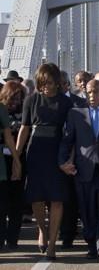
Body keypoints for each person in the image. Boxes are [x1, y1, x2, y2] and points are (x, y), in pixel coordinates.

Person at [58, 80, 99, 263]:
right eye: (88, 92)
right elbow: (67, 140)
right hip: (83, 169)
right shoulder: (75, 113)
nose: (92, 96)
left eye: (95, 92)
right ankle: (92, 246)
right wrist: (63, 162)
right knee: (88, 211)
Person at [16, 63, 74, 260]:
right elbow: (24, 129)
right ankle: (42, 230)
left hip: (58, 151)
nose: (46, 86)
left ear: (57, 82)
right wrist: (17, 156)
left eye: (49, 82)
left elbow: (72, 131)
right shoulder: (31, 100)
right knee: (37, 198)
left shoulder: (66, 103)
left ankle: (52, 245)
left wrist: (70, 157)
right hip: (36, 150)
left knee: (57, 198)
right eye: (42, 83)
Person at [59, 71, 85, 249]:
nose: (58, 87)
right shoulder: (47, 103)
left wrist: (71, 157)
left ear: (68, 84)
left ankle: (69, 234)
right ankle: (63, 232)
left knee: (73, 198)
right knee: (57, 198)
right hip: (54, 157)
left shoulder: (79, 103)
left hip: (76, 157)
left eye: (61, 83)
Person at [0, 81, 24, 250]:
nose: (16, 101)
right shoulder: (2, 110)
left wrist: (18, 161)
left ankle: (12, 238)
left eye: (20, 97)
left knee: (16, 201)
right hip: (3, 160)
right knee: (2, 203)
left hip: (19, 158)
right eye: (14, 97)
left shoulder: (24, 112)